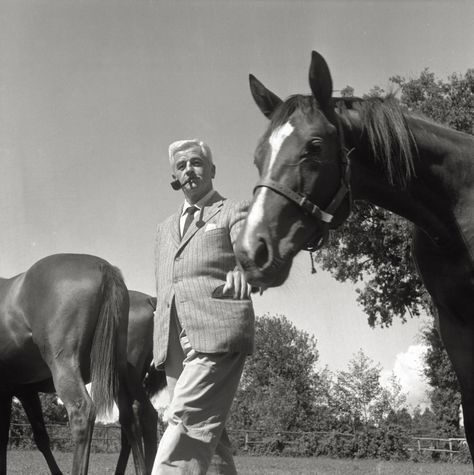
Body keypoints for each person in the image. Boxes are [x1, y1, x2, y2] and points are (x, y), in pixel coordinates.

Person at [152, 139, 255, 474]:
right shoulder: (164, 229)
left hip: (216, 328)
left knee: (184, 422)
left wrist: (243, 269)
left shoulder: (232, 210)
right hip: (172, 339)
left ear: (211, 170)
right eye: (181, 166)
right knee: (210, 434)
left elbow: (247, 248)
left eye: (196, 163)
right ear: (174, 177)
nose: (188, 171)